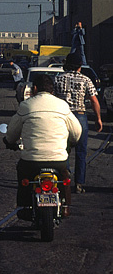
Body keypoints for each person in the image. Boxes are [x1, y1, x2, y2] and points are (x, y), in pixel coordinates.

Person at [3, 74, 81, 218]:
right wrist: (72, 141)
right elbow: (77, 131)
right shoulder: (62, 105)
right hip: (58, 160)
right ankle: (65, 206)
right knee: (64, 178)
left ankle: (25, 205)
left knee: (23, 175)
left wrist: (9, 142)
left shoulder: (26, 106)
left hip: (31, 161)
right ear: (52, 90)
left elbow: (12, 133)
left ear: (35, 89)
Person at [53, 55, 103, 193]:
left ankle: (65, 177)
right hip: (80, 116)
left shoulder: (57, 78)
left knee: (63, 150)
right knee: (81, 151)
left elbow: (52, 98)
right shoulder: (85, 79)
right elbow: (94, 101)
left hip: (62, 116)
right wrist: (98, 119)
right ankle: (79, 183)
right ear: (79, 66)